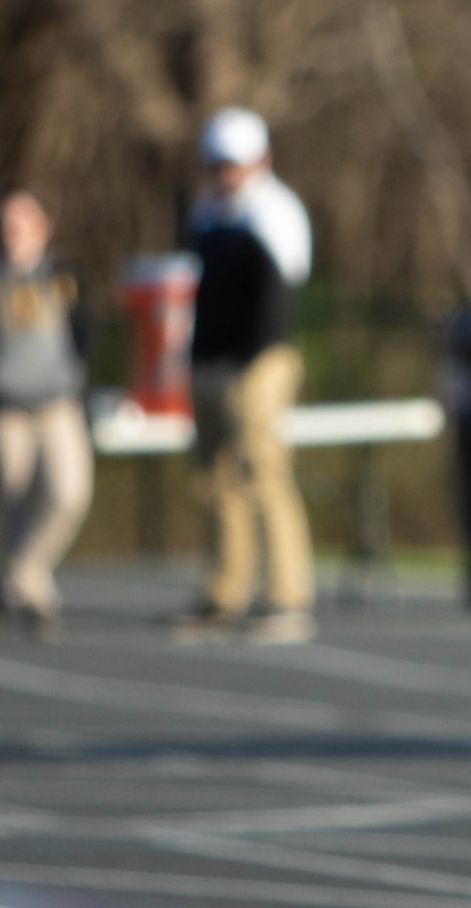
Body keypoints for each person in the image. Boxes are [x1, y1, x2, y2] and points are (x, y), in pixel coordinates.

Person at [171, 106, 318, 646]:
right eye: (217, 163)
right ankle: (225, 590)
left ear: (260, 160)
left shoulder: (273, 212)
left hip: (257, 364)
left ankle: (287, 594)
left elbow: (278, 296)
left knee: (263, 473)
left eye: (233, 163)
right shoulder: (208, 212)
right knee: (213, 480)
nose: (224, 173)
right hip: (210, 360)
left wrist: (252, 360)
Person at [0, 190, 95, 640]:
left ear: (43, 229)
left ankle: (15, 578)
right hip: (4, 408)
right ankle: (37, 596)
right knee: (13, 499)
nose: (14, 236)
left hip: (57, 402)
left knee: (70, 494)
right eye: (6, 226)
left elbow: (85, 332)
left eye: (23, 226)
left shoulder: (64, 275)